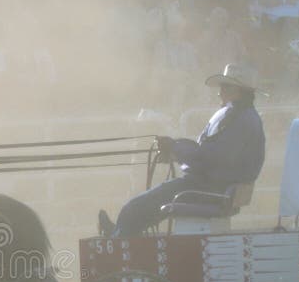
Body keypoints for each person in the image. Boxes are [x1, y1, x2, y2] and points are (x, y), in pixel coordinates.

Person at [98, 63, 266, 238]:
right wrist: (175, 150)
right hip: (214, 187)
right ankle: (121, 233)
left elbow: (211, 159)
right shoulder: (242, 116)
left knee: (133, 209)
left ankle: (119, 239)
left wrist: (175, 148)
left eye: (225, 86)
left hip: (206, 188)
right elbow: (209, 154)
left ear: (238, 90)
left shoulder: (237, 119)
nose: (220, 91)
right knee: (141, 209)